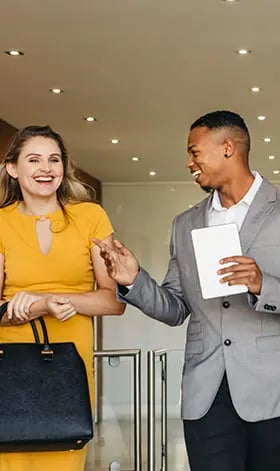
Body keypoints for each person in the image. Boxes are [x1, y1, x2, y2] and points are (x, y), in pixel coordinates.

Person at [95, 110, 280, 471]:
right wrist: (133, 279)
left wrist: (261, 284)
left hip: (273, 388)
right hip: (205, 390)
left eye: (194, 151)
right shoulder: (185, 223)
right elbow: (174, 308)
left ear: (227, 148)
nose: (189, 162)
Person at [0, 125, 125, 471]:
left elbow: (112, 301)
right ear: (12, 168)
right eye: (34, 159)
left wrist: (46, 299)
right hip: (9, 365)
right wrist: (34, 308)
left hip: (69, 366)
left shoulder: (91, 217)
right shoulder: (0, 223)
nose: (46, 168)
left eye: (54, 159)